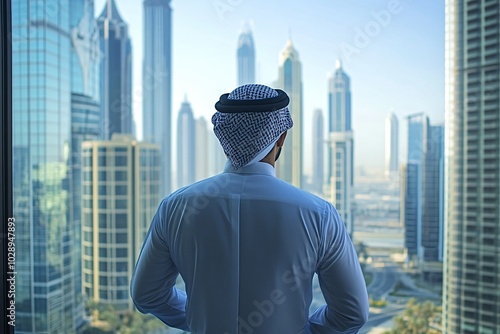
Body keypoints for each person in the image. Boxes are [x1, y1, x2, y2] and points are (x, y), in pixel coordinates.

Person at [130, 84, 369, 334]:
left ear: (223, 138)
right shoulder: (319, 215)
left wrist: (198, 319)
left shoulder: (175, 208)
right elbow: (351, 313)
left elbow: (147, 295)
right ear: (281, 137)